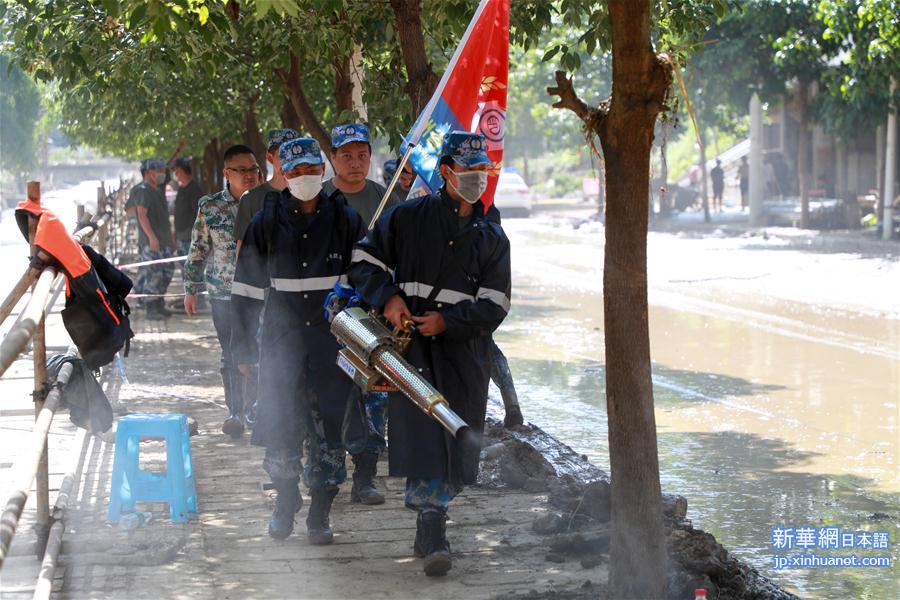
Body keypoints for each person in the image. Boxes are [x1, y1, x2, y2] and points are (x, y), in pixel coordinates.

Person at [349, 131, 512, 576]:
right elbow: (364, 259)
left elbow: (496, 304)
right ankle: (432, 525)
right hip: (414, 351)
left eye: (483, 173)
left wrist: (451, 322)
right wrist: (389, 299)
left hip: (465, 358)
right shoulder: (409, 216)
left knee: (457, 443)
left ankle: (432, 515)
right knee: (424, 437)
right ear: (445, 173)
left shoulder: (493, 236)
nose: (477, 180)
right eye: (469, 172)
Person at [231, 137, 365, 544]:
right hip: (281, 341)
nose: (306, 177)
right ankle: (285, 501)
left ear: (322, 171)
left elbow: (365, 281)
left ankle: (321, 512)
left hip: (333, 343)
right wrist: (242, 351)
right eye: (297, 171)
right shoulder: (266, 224)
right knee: (281, 425)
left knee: (331, 427)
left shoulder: (345, 221)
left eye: (312, 169)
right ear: (284, 175)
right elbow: (247, 291)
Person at [324, 123, 395, 505]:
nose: (355, 163)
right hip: (326, 314)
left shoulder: (385, 201)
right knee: (330, 395)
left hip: (372, 314)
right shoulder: (317, 200)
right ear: (333, 158)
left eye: (362, 155)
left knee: (374, 395)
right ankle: (326, 474)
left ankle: (365, 477)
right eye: (346, 156)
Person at [184, 145, 261, 438]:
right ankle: (235, 412)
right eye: (241, 170)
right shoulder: (211, 206)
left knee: (260, 349)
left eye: (253, 169)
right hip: (223, 294)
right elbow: (198, 250)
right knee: (231, 353)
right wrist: (191, 288)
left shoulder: (268, 201)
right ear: (227, 173)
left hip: (260, 292)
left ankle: (256, 409)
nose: (249, 176)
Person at [234, 128, 299, 249]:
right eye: (283, 155)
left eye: (295, 155)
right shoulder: (250, 199)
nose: (290, 161)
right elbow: (242, 252)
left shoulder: (310, 196)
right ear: (270, 158)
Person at [132, 158, 175, 319]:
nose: (162, 174)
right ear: (149, 172)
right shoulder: (143, 190)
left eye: (163, 171)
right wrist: (152, 238)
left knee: (167, 272)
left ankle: (159, 304)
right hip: (152, 243)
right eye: (159, 171)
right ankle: (151, 308)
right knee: (153, 274)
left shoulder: (158, 189)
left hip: (164, 241)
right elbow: (142, 215)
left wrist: (170, 238)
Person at [172, 158, 204, 271]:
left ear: (183, 171)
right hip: (180, 237)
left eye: (177, 171)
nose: (176, 174)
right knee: (184, 270)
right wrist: (175, 234)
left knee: (192, 271)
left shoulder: (194, 190)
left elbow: (199, 214)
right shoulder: (181, 189)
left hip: (190, 238)